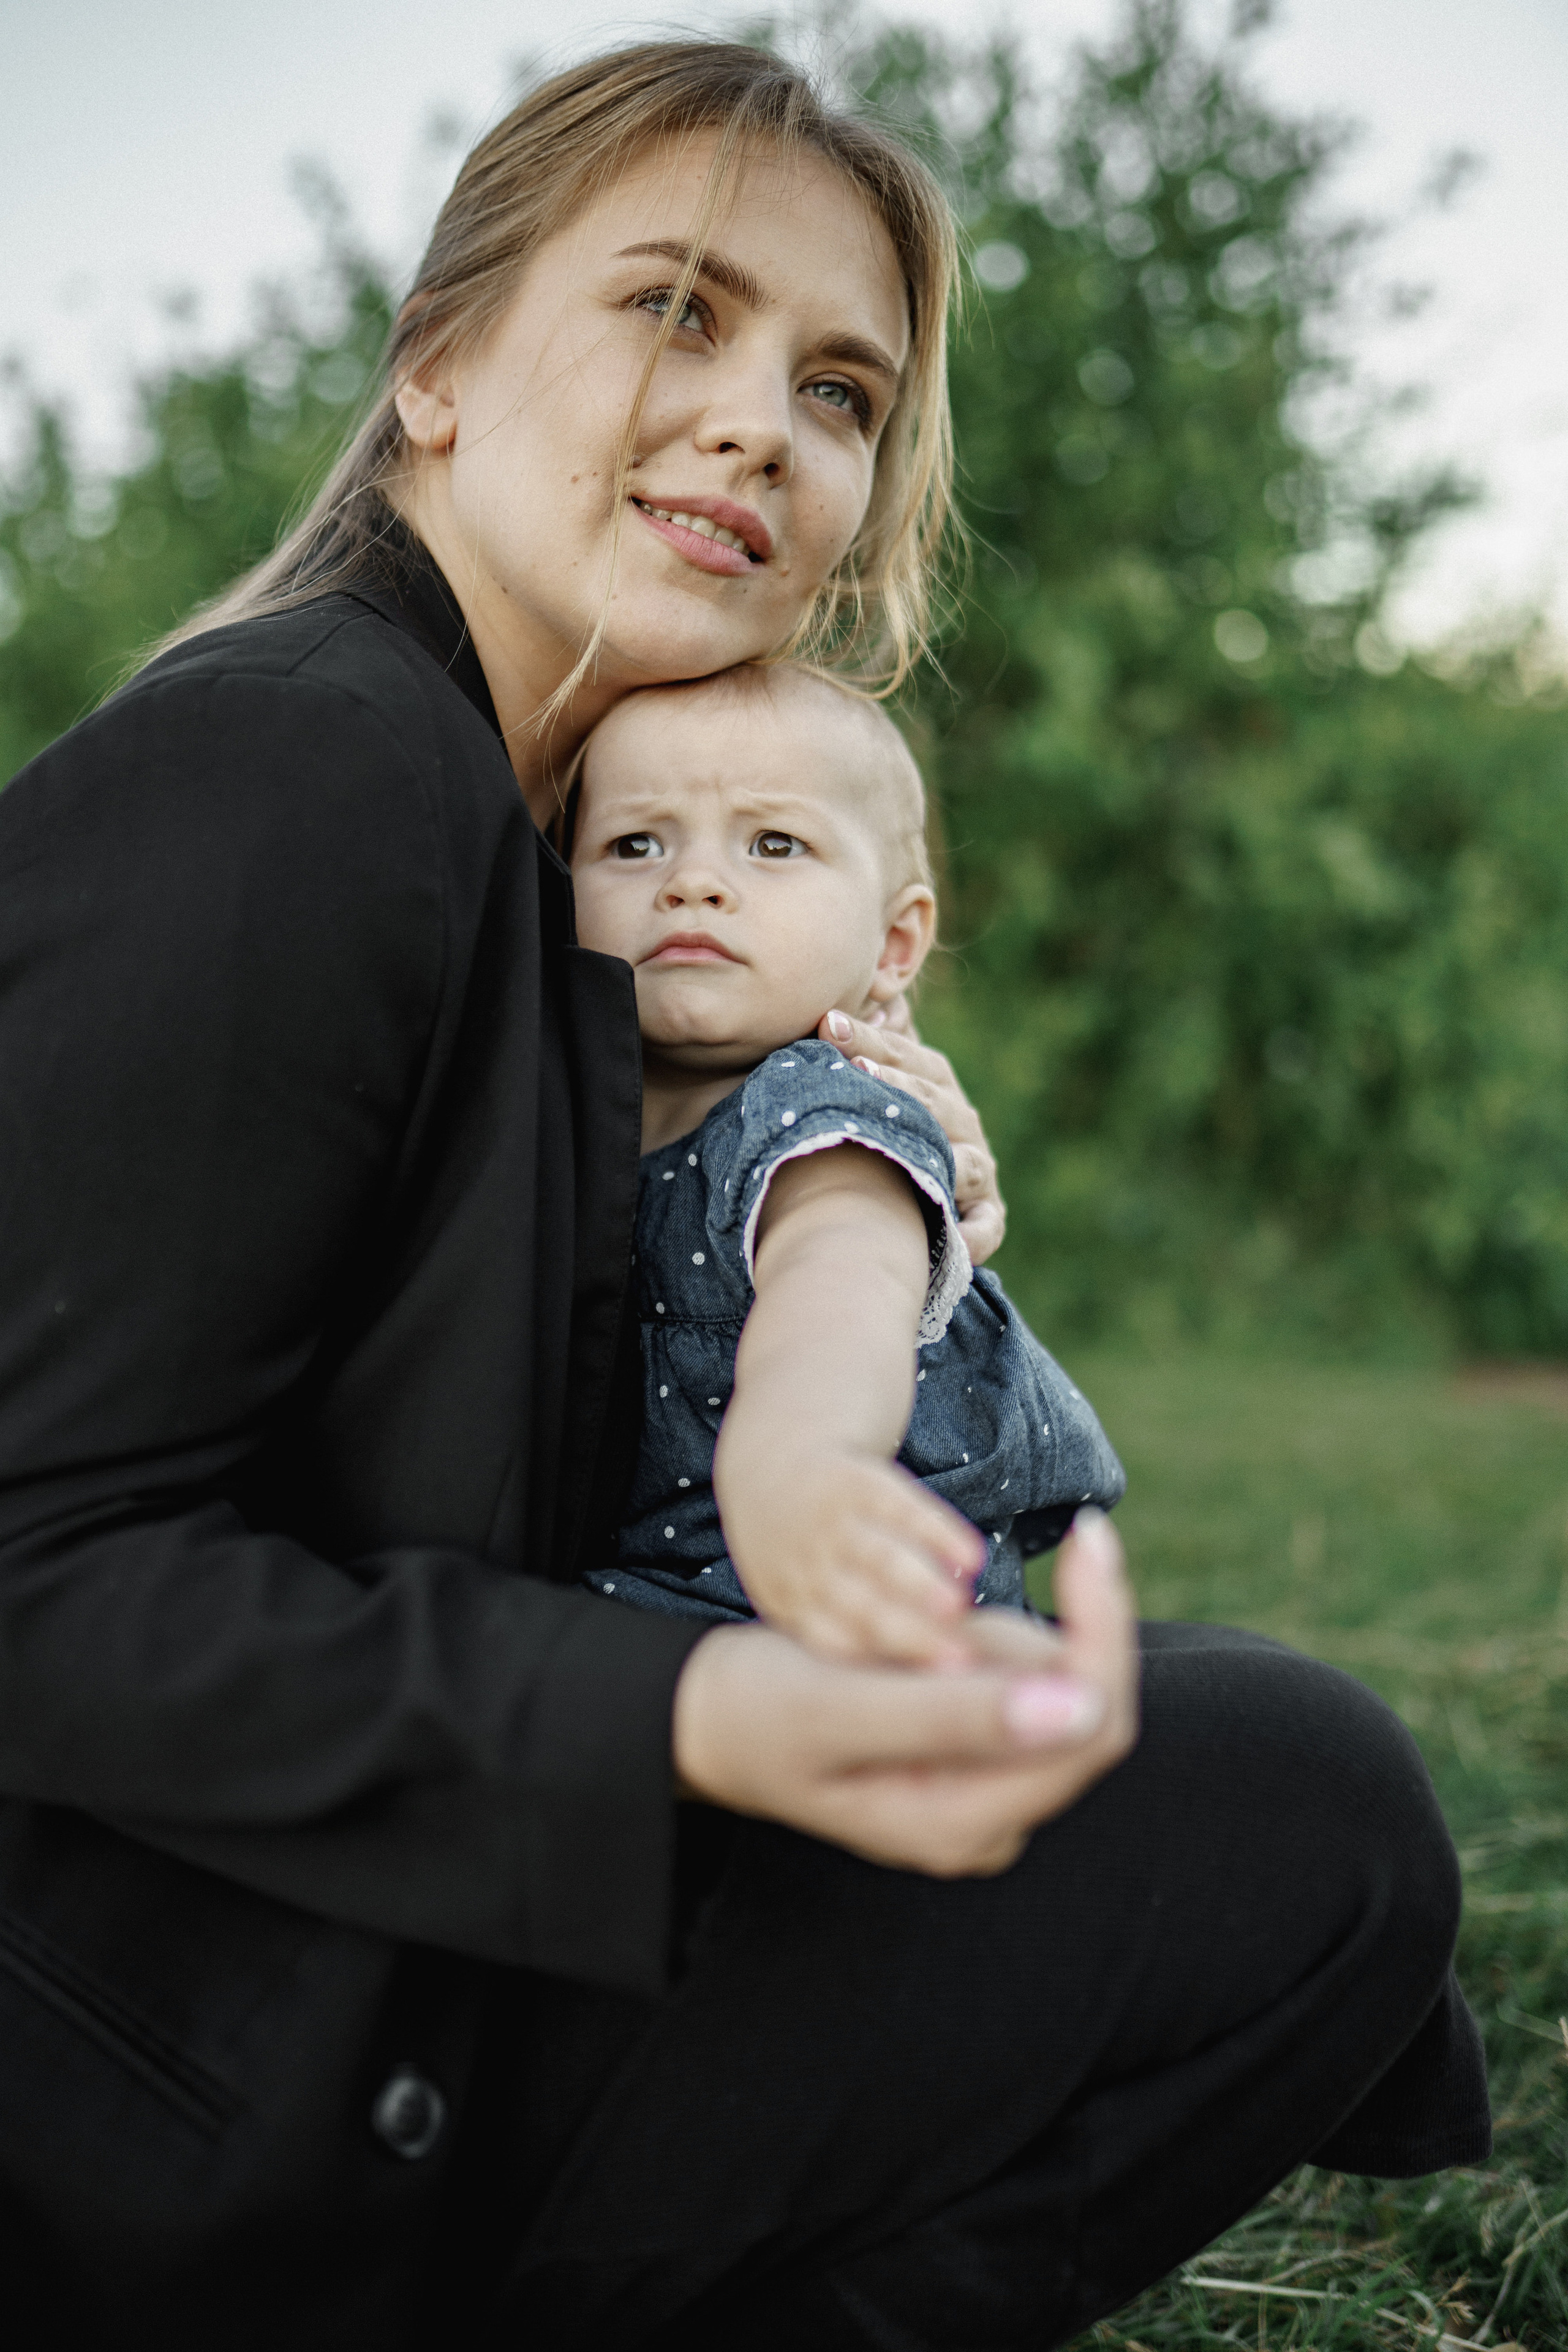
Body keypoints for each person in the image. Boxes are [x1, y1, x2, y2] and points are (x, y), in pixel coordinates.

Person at [0, 40, 1487, 2352]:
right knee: (1314, 1813)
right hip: (160, 2078)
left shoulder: (514, 840)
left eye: (839, 385)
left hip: (334, 1938)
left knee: (1202, 1734)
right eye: (673, 309)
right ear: (437, 379)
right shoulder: (301, 762)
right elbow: (38, 1577)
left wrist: (808, 1149)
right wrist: (679, 1729)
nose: (758, 424)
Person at [566, 663, 1126, 1649]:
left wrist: (805, 1463)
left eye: (774, 843)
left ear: (896, 943)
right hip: (648, 1609)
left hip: (819, 1604)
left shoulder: (823, 1114)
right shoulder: (580, 1111)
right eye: (634, 842)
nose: (692, 881)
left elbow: (837, 1296)